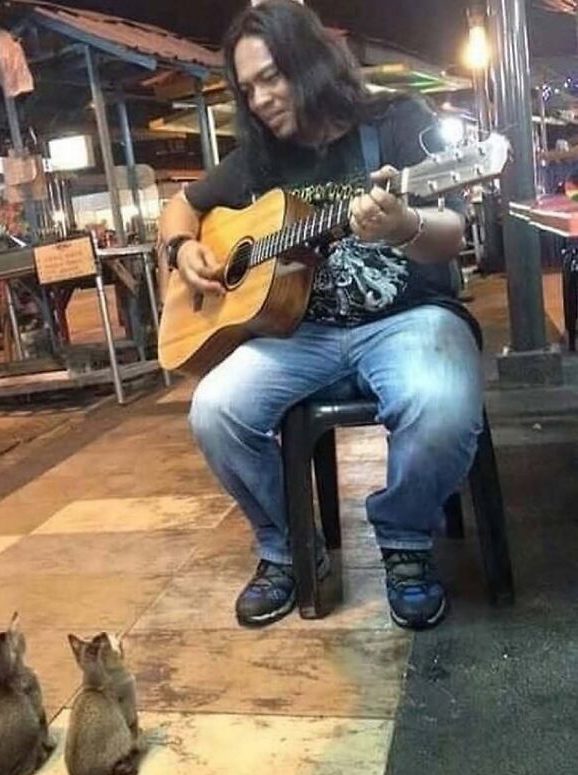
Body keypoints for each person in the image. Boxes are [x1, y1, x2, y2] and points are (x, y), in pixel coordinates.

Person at [159, 0, 482, 632]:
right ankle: (289, 548)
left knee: (440, 402)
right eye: (247, 88)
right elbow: (180, 205)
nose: (259, 99)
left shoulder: (394, 121)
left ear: (308, 62)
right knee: (215, 410)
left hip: (408, 319)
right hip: (298, 334)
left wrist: (404, 224)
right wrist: (181, 248)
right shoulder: (258, 160)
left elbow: (451, 231)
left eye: (271, 77)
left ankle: (405, 539)